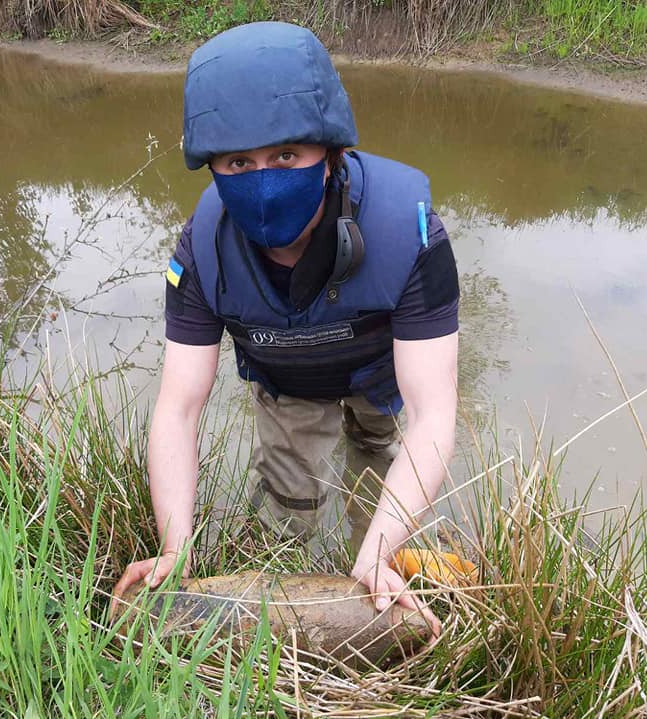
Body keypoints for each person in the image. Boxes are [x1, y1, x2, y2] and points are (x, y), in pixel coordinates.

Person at [114, 21, 459, 629]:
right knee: (286, 502)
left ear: (331, 153)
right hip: (286, 381)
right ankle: (288, 568)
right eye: (239, 161)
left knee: (376, 461)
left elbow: (434, 414)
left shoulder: (412, 236)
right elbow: (179, 407)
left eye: (286, 155)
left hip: (382, 376)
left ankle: (373, 554)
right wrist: (176, 544)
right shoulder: (201, 252)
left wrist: (379, 549)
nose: (265, 181)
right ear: (212, 166)